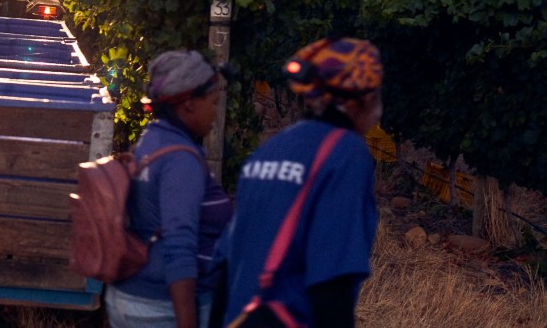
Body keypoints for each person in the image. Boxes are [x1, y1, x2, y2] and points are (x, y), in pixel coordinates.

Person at [208, 37, 384, 328]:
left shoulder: (269, 151)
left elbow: (227, 265)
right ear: (361, 99)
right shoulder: (346, 154)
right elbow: (332, 283)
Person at [106, 50, 234, 328]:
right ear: (188, 104)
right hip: (161, 307)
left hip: (130, 297)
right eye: (213, 103)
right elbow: (179, 245)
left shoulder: (151, 140)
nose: (216, 114)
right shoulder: (181, 159)